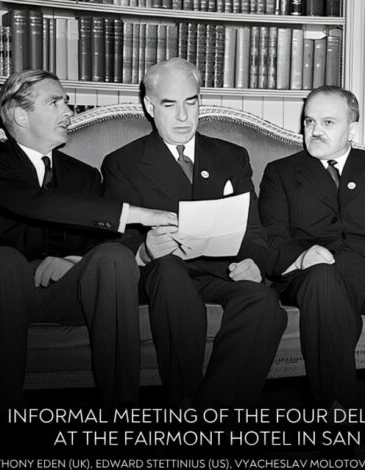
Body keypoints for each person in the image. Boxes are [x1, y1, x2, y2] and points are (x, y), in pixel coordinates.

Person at [0, 69, 176, 420]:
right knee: (2, 261)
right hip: (1, 290)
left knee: (113, 257)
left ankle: (122, 415)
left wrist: (73, 260)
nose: (68, 112)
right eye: (55, 102)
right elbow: (32, 202)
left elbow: (103, 241)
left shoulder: (84, 175)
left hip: (64, 290)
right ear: (19, 114)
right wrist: (137, 213)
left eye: (67, 102)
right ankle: (0, 423)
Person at [102, 58, 287, 409]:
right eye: (169, 105)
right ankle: (183, 396)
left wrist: (254, 262)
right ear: (149, 106)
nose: (183, 116)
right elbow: (115, 242)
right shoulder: (122, 163)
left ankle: (211, 410)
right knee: (170, 273)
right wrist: (145, 250)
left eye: (191, 102)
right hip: (161, 273)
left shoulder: (232, 156)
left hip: (221, 270)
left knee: (264, 303)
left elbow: (253, 228)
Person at [258, 86, 365, 409]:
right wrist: (301, 257)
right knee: (322, 280)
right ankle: (336, 411)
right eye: (309, 122)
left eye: (327, 122)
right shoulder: (280, 173)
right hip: (315, 273)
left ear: (352, 129)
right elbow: (271, 236)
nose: (315, 131)